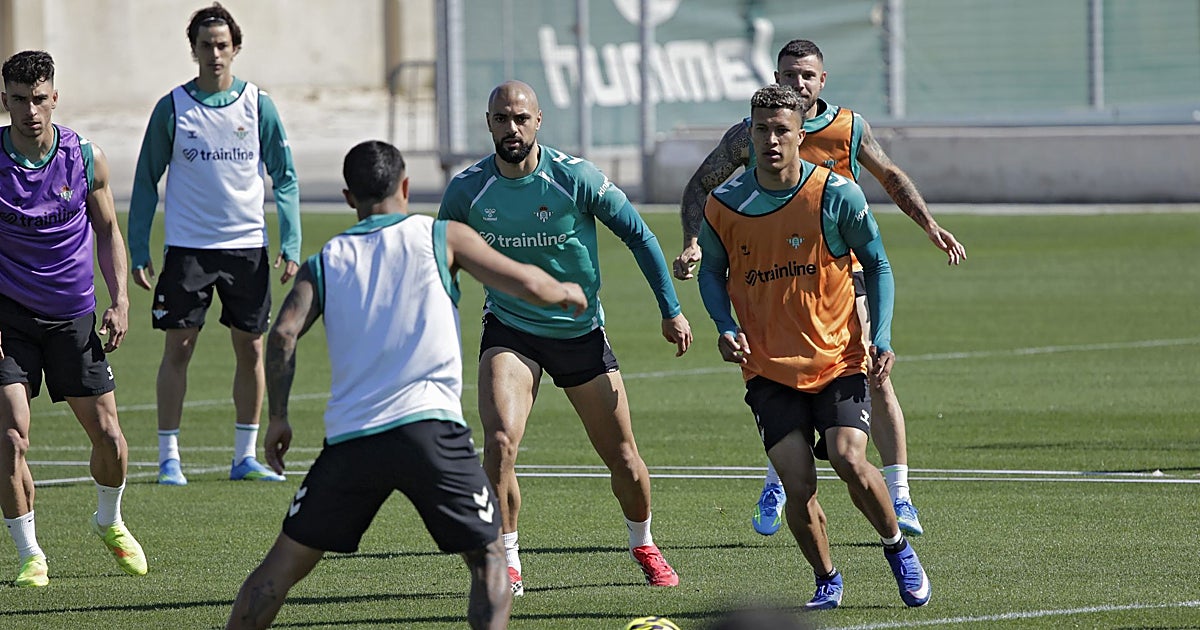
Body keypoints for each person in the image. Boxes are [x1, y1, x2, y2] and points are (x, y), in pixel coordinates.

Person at [228, 141, 579, 629]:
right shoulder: (442, 237)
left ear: (350, 197)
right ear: (406, 186)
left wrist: (280, 417)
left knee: (279, 571)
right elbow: (525, 283)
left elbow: (283, 335)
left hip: (353, 441)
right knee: (490, 560)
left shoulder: (327, 260)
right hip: (429, 431)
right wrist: (566, 291)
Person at [677, 38, 967, 538]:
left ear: (822, 80)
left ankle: (899, 492)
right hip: (774, 277)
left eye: (807, 75)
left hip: (842, 274)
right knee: (782, 378)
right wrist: (692, 243)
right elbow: (701, 184)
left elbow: (890, 175)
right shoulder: (754, 132)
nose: (798, 83)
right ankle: (780, 481)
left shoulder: (848, 128)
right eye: (789, 74)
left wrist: (929, 224)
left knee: (876, 376)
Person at [438, 80, 691, 596]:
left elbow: (639, 235)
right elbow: (442, 262)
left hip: (579, 333)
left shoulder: (575, 178)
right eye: (501, 119)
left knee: (623, 458)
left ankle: (643, 541)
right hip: (509, 328)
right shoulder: (467, 190)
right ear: (488, 123)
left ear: (539, 121)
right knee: (501, 442)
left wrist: (671, 311)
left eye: (521, 118)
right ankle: (507, 561)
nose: (512, 128)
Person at [698, 84, 930, 609]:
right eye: (762, 130)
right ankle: (827, 579)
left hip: (838, 358)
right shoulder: (725, 204)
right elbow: (712, 272)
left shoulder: (834, 194)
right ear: (749, 134)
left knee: (849, 458)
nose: (771, 140)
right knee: (797, 484)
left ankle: (896, 548)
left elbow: (878, 263)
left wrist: (882, 335)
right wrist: (722, 323)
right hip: (766, 369)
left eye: (782, 130)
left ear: (800, 135)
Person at [127, 2, 301, 486]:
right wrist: (138, 247)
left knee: (251, 350)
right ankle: (169, 460)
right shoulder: (173, 107)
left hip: (246, 247)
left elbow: (284, 177)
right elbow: (146, 180)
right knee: (178, 348)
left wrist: (292, 240)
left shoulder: (258, 105)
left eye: (223, 45)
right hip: (188, 248)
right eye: (206, 45)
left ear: (236, 48)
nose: (215, 54)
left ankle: (245, 456)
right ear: (194, 50)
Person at [0, 50, 148, 587]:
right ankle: (29, 553)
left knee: (109, 436)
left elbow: (108, 229)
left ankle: (109, 521)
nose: (30, 111)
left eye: (39, 99)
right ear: (5, 101)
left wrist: (120, 300)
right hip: (9, 319)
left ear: (54, 98)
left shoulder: (85, 157)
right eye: (19, 100)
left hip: (73, 316)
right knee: (11, 436)